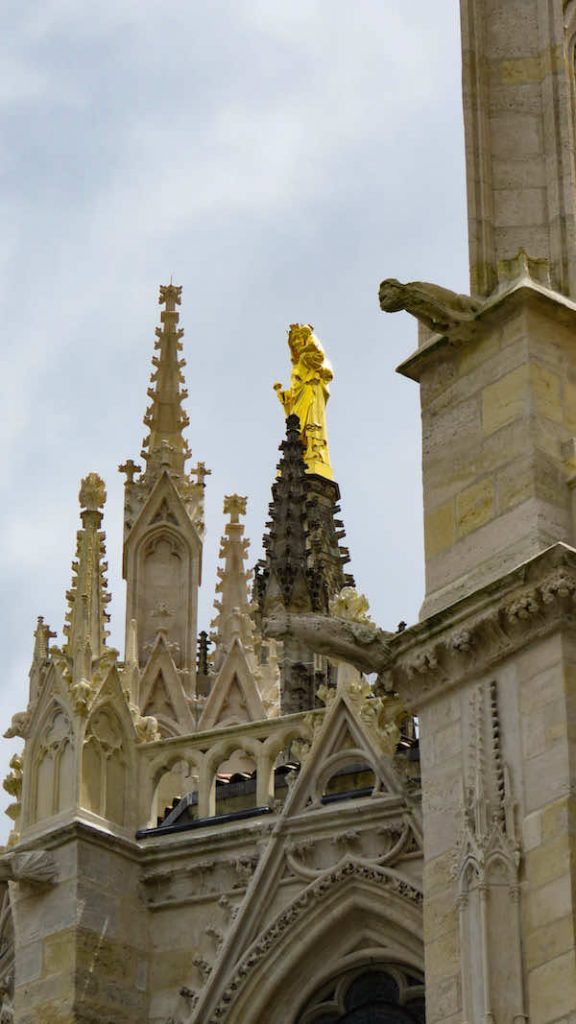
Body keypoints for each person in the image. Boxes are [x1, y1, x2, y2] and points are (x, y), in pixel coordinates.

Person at [273, 324, 334, 480]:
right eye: (295, 342)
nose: (298, 344)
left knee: (311, 423)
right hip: (300, 398)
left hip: (311, 392)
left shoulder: (310, 358)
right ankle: (302, 453)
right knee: (297, 427)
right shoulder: (297, 365)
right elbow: (295, 389)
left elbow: (325, 369)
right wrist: (285, 396)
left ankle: (314, 452)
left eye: (300, 340)